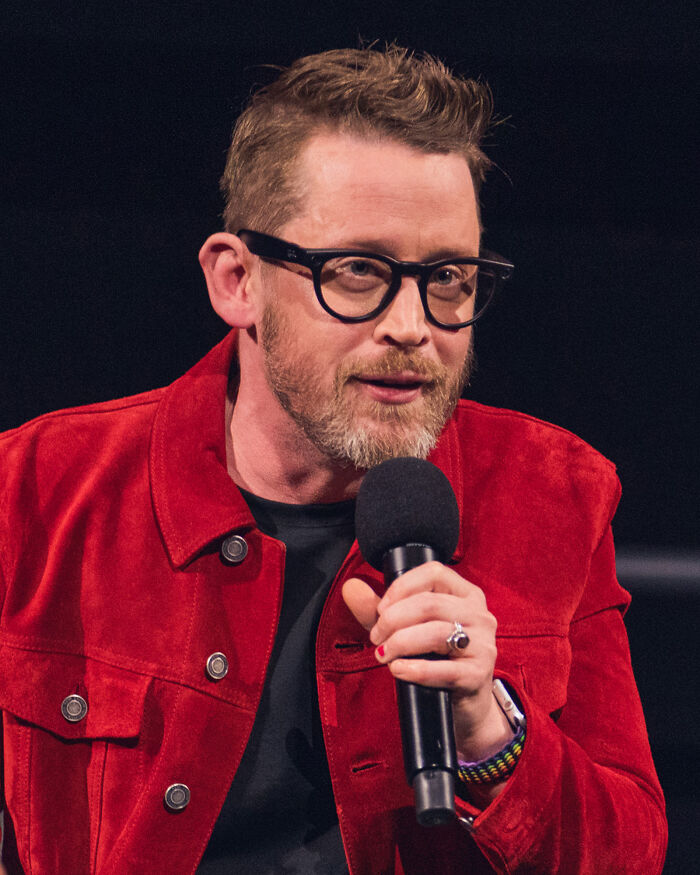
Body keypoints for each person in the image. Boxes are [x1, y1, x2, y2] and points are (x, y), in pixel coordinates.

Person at [0, 46, 666, 874]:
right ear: (237, 280)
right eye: (360, 271)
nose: (413, 325)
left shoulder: (555, 493)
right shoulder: (32, 489)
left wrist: (491, 734)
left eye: (449, 278)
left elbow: (629, 852)